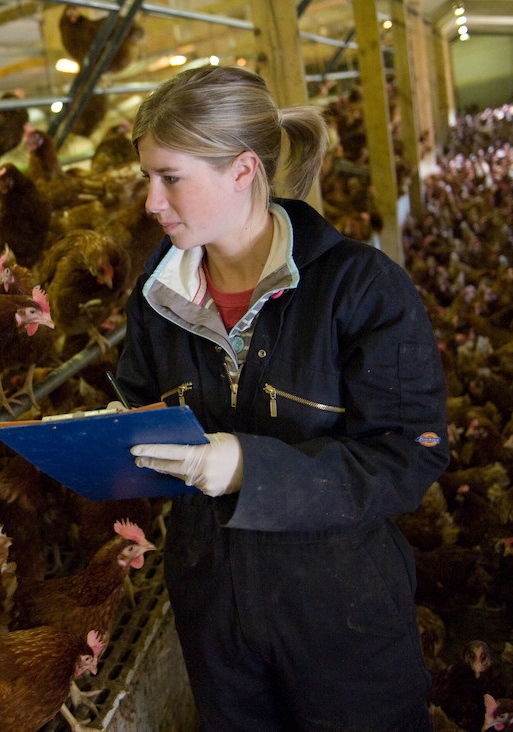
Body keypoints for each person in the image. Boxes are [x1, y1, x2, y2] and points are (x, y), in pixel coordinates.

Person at [113, 65, 449, 730]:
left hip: (338, 606)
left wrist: (245, 468)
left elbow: (407, 457)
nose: (151, 201)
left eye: (170, 177)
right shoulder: (156, 296)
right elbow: (138, 407)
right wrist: (108, 446)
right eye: (147, 177)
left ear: (242, 171)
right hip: (212, 605)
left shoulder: (357, 289)